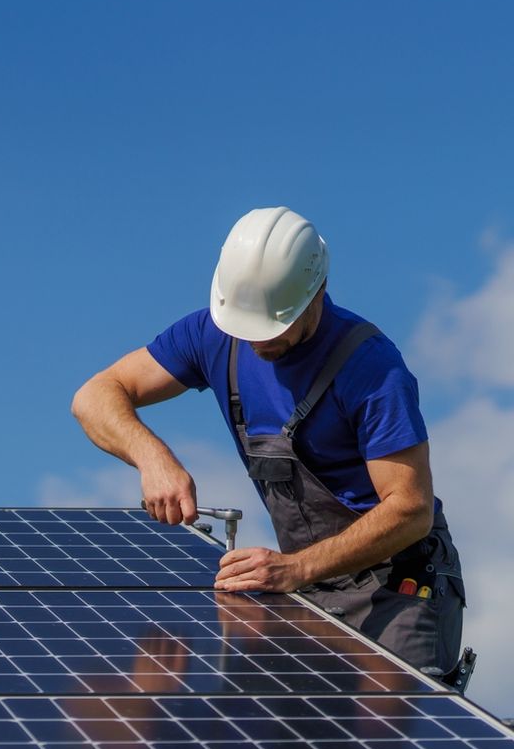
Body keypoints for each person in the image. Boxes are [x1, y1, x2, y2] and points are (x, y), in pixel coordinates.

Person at [72, 206, 465, 675]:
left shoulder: (372, 369)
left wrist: (297, 569)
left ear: (316, 293)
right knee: (287, 736)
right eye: (244, 326)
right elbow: (94, 396)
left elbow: (410, 510)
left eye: (271, 327)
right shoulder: (212, 334)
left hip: (397, 585)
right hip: (303, 581)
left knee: (383, 742)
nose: (257, 342)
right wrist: (152, 457)